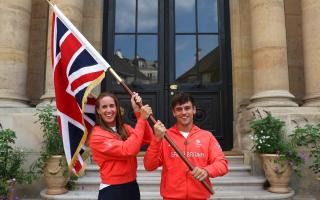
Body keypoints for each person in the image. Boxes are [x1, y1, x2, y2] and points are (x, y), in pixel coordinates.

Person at [144, 92, 228, 200]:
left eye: (187, 108)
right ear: (174, 113)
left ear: (194, 110)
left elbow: (222, 164)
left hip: (200, 197)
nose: (183, 112)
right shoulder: (164, 136)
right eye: (179, 109)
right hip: (171, 197)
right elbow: (149, 166)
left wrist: (207, 171)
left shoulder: (207, 136)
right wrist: (156, 140)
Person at [89, 92, 153, 200]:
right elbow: (128, 150)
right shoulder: (96, 136)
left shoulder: (124, 128)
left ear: (117, 108)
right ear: (98, 110)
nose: (109, 110)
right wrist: (142, 119)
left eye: (112, 106)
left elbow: (147, 138)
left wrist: (138, 112)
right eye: (104, 107)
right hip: (112, 190)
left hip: (132, 185)